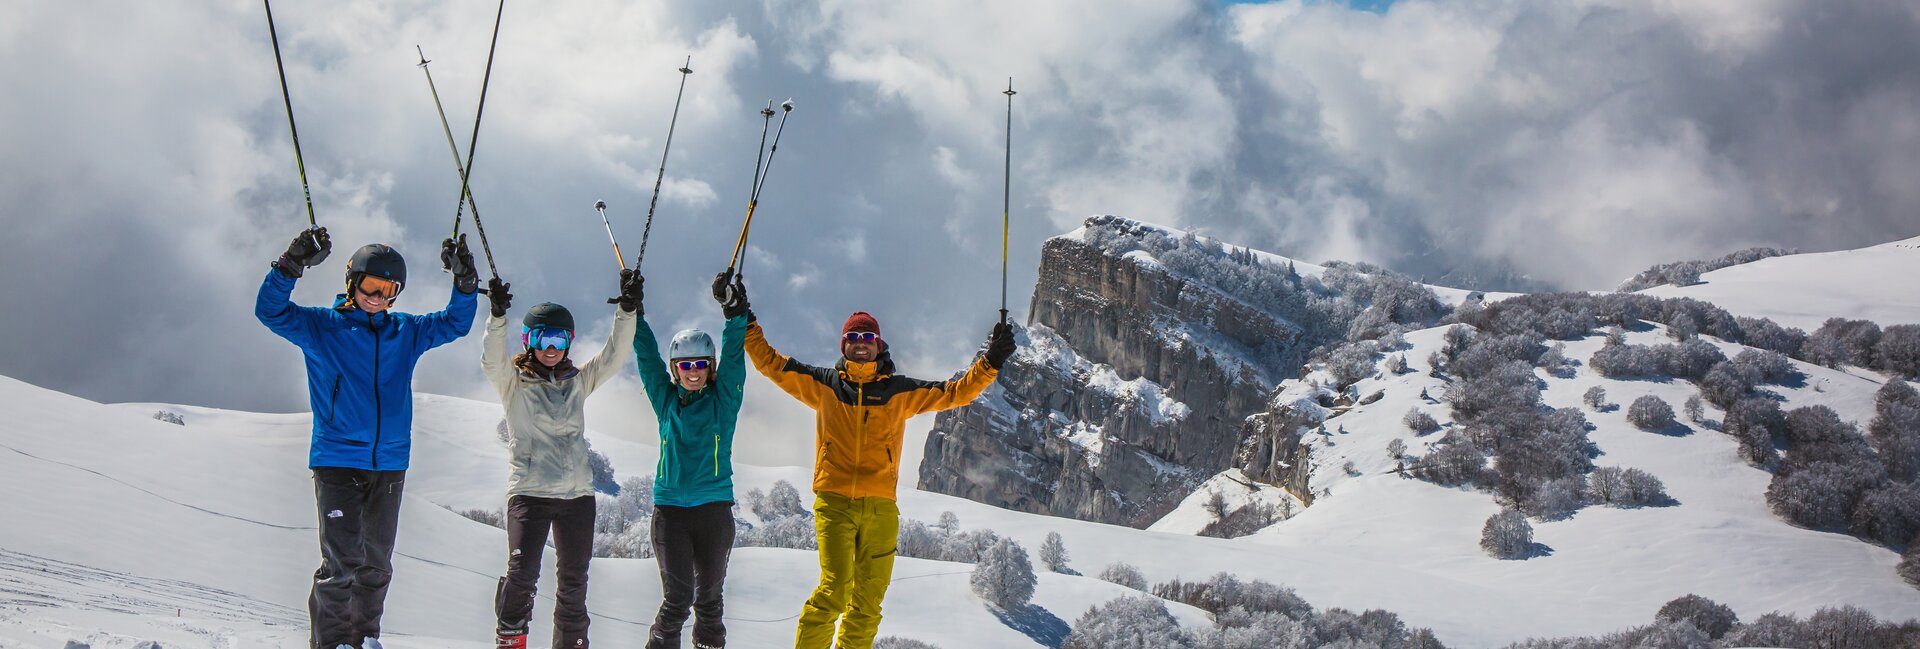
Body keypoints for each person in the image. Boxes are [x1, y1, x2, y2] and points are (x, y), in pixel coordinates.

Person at [730, 273, 1016, 649]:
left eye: (867, 338)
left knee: (868, 605)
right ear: (844, 345)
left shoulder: (899, 391)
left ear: (878, 345)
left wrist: (991, 360)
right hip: (834, 503)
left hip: (881, 508)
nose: (860, 344)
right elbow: (770, 363)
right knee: (835, 589)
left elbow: (955, 392)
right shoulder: (825, 384)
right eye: (853, 338)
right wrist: (743, 317)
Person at [255, 227, 480, 649]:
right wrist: (290, 265)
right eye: (371, 286)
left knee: (376, 566)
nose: (378, 297)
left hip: (390, 462)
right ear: (352, 283)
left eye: (388, 288)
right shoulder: (322, 327)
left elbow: (455, 323)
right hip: (338, 461)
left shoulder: (405, 332)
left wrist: (465, 282)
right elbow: (270, 311)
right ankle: (332, 643)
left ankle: (364, 640)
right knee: (341, 565)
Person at [483, 270, 641, 649]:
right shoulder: (514, 383)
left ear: (569, 342)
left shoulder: (577, 381)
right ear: (529, 341)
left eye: (559, 339)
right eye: (542, 338)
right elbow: (492, 361)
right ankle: (511, 639)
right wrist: (498, 317)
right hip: (530, 493)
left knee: (574, 580)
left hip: (576, 498)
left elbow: (613, 357)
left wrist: (628, 310)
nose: (550, 347)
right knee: (522, 574)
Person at [637, 272, 751, 649]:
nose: (692, 372)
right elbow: (646, 359)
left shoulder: (724, 402)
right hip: (670, 512)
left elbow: (735, 357)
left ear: (710, 367)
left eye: (700, 364)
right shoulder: (666, 401)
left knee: (710, 601)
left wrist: (735, 314)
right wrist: (634, 314)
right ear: (675, 369)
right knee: (677, 600)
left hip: (714, 510)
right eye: (684, 366)